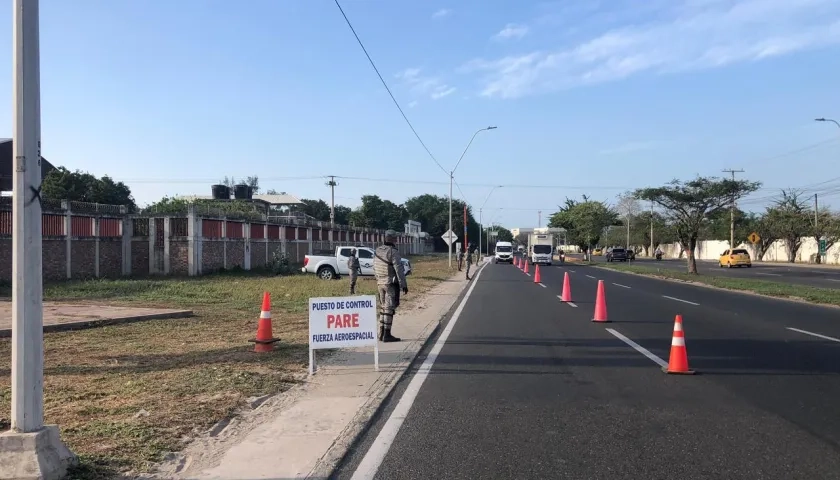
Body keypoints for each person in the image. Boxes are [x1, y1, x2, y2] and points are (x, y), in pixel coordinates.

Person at [373, 230, 408, 342]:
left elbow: (374, 267)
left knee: (383, 308)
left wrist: (378, 279)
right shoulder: (393, 252)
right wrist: (404, 285)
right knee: (389, 308)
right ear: (393, 239)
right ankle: (387, 335)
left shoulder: (377, 250)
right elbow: (399, 269)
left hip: (380, 282)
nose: (396, 240)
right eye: (395, 238)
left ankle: (381, 333)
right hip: (390, 284)